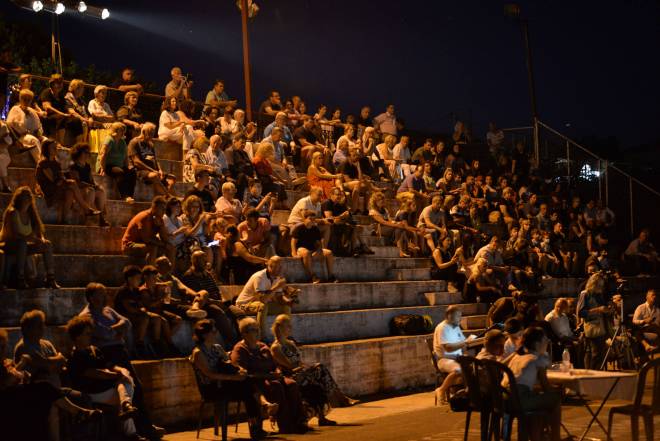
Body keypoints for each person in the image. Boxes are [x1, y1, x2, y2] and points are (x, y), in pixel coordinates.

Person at [78, 282, 166, 439]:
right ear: (91, 297)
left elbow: (127, 322)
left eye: (105, 293)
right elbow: (104, 334)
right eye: (101, 294)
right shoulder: (87, 316)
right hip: (107, 355)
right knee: (128, 387)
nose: (105, 296)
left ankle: (145, 426)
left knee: (136, 388)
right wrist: (117, 330)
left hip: (120, 351)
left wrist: (114, 329)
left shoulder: (108, 310)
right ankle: (134, 431)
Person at [0, 329, 100, 441]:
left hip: (43, 388)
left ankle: (81, 418)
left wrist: (23, 373)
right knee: (46, 390)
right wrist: (22, 365)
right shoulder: (22, 347)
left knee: (78, 396)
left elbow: (58, 362)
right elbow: (7, 382)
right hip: (9, 400)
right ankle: (80, 412)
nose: (3, 350)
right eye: (0, 347)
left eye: (3, 346)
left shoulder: (45, 344)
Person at [65, 315, 144, 440]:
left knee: (126, 383)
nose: (90, 336)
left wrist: (122, 371)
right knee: (125, 386)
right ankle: (127, 414)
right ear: (77, 336)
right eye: (87, 334)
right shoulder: (74, 356)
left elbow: (109, 365)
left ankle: (126, 409)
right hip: (91, 392)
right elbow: (95, 373)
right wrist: (117, 376)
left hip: (106, 389)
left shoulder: (94, 350)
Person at [270, 315, 357, 426]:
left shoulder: (290, 343)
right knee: (320, 368)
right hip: (291, 376)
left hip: (302, 373)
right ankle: (340, 398)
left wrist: (306, 367)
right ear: (280, 327)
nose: (291, 328)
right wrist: (305, 368)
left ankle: (324, 415)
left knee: (319, 380)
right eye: (288, 326)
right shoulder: (276, 347)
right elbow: (290, 367)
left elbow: (299, 362)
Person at [189, 319, 266, 439]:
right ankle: (256, 425)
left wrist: (240, 370)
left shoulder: (217, 348)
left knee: (248, 386)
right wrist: (233, 377)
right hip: (211, 388)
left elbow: (230, 363)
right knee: (248, 388)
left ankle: (256, 426)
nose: (216, 334)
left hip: (225, 383)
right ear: (204, 334)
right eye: (213, 332)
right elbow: (210, 375)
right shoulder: (198, 353)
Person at [231, 317, 309, 434]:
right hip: (256, 382)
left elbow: (274, 364)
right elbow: (243, 373)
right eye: (254, 330)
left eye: (258, 329)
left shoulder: (263, 346)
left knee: (291, 384)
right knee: (276, 386)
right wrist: (267, 376)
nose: (258, 332)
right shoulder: (240, 349)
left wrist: (277, 371)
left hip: (271, 377)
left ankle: (299, 422)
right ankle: (285, 425)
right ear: (244, 333)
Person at [502, 327, 561, 441]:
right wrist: (555, 391)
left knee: (538, 402)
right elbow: (545, 386)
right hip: (520, 400)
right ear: (537, 343)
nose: (547, 343)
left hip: (505, 399)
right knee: (555, 399)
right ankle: (555, 437)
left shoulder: (516, 357)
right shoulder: (537, 359)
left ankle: (537, 435)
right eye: (545, 341)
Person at [0, 186, 59, 289]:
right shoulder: (13, 212)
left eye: (29, 196)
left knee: (47, 244)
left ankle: (50, 278)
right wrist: (31, 239)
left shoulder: (31, 214)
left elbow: (38, 231)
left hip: (24, 245)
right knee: (22, 243)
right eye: (25, 196)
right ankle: (20, 278)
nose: (27, 198)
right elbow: (14, 235)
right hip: (8, 244)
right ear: (19, 198)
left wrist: (42, 240)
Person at [180, 250, 241, 348]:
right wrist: (217, 302)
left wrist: (220, 301)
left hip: (217, 302)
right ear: (194, 261)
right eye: (202, 260)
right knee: (218, 311)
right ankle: (233, 343)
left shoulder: (207, 274)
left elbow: (216, 291)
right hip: (205, 305)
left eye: (205, 259)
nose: (205, 262)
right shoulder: (189, 276)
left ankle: (242, 340)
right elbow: (197, 297)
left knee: (238, 312)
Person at [235, 256, 300, 340]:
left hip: (261, 303)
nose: (281, 270)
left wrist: (289, 301)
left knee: (286, 308)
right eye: (278, 267)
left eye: (281, 267)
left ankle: (285, 336)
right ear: (270, 266)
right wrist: (276, 287)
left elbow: (279, 298)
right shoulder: (259, 277)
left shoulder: (277, 277)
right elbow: (263, 299)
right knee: (263, 306)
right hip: (245, 304)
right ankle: (262, 337)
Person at [37, 139, 101, 224]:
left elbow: (60, 177)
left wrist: (63, 180)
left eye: (56, 147)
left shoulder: (56, 162)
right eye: (53, 148)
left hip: (58, 187)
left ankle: (64, 220)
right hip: (49, 190)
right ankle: (86, 209)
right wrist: (64, 181)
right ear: (47, 150)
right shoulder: (43, 163)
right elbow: (53, 180)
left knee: (70, 192)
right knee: (73, 183)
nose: (56, 149)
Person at [13, 310, 66, 387]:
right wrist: (58, 358)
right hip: (41, 394)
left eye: (43, 324)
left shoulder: (47, 344)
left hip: (57, 389)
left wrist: (47, 361)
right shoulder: (23, 347)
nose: (43, 327)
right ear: (28, 328)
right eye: (39, 325)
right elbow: (48, 367)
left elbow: (62, 363)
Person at [139, 265, 183, 357]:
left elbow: (166, 296)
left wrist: (174, 300)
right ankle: (169, 345)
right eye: (153, 277)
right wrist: (162, 299)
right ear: (146, 277)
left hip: (160, 311)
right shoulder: (143, 290)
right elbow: (150, 306)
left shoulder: (156, 286)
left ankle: (165, 340)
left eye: (156, 277)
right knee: (165, 322)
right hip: (151, 312)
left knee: (178, 319)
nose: (155, 280)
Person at [433, 305, 469, 404]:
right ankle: (441, 390)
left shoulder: (456, 327)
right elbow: (448, 348)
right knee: (458, 370)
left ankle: (463, 394)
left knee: (474, 367)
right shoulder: (442, 328)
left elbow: (463, 343)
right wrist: (465, 343)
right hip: (444, 359)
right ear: (449, 316)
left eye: (460, 316)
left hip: (457, 358)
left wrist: (465, 352)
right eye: (458, 316)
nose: (460, 319)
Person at [121, 196, 173, 264]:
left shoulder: (159, 218)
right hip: (129, 245)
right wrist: (164, 244)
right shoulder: (145, 217)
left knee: (171, 248)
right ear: (154, 208)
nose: (164, 212)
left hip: (144, 244)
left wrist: (160, 226)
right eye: (162, 209)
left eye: (164, 209)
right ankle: (150, 271)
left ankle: (167, 272)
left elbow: (165, 240)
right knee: (153, 248)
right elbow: (147, 239)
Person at [291, 210, 338, 284]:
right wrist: (293, 253)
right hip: (301, 249)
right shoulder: (299, 228)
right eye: (310, 219)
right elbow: (293, 242)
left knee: (329, 253)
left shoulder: (315, 229)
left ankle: (331, 276)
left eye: (313, 219)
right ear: (305, 219)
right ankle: (312, 276)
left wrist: (318, 251)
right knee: (306, 253)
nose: (312, 221)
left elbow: (319, 244)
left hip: (312, 250)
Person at [128, 122, 174, 197]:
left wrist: (160, 170)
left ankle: (163, 196)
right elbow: (136, 162)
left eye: (153, 133)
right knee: (154, 176)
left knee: (172, 178)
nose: (152, 136)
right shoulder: (134, 142)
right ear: (143, 132)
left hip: (153, 170)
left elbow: (155, 159)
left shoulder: (150, 144)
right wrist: (152, 170)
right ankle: (168, 195)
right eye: (150, 133)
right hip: (140, 171)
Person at [69, 142, 109, 226]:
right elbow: (76, 181)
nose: (88, 154)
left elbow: (91, 180)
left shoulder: (87, 166)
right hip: (79, 189)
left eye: (88, 152)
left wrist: (96, 186)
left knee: (101, 191)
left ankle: (101, 217)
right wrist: (90, 186)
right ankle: (85, 217)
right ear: (79, 153)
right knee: (91, 191)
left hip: (88, 187)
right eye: (85, 152)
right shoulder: (73, 166)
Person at [576, 272, 611, 369]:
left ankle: (594, 374)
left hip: (602, 326)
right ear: (593, 283)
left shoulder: (599, 294)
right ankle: (593, 374)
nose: (601, 286)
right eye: (599, 284)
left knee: (599, 353)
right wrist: (598, 309)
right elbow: (581, 312)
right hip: (592, 327)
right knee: (595, 354)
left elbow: (603, 308)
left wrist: (609, 308)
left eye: (602, 284)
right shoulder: (585, 294)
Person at [97, 122, 137, 202]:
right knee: (119, 172)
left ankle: (130, 195)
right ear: (115, 131)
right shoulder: (109, 140)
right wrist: (102, 168)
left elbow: (125, 157)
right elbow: (103, 155)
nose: (123, 132)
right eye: (121, 130)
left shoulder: (122, 142)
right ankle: (124, 196)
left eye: (124, 130)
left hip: (118, 166)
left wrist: (127, 168)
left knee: (132, 172)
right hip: (107, 165)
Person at [6, 88, 44, 163]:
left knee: (46, 141)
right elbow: (9, 124)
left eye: (29, 99)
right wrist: (23, 132)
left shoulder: (32, 111)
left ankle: (52, 164)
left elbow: (39, 125)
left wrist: (39, 133)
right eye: (24, 99)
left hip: (34, 135)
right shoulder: (15, 109)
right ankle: (41, 163)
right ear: (20, 99)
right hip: (20, 137)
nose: (27, 101)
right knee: (33, 140)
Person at [40, 74, 72, 141]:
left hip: (59, 117)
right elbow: (48, 107)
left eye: (61, 83)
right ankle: (57, 143)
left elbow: (66, 108)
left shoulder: (61, 96)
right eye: (58, 83)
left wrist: (71, 114)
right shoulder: (47, 92)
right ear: (52, 84)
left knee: (76, 121)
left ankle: (62, 143)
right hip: (47, 116)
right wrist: (62, 114)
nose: (60, 85)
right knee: (60, 118)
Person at [63, 79, 92, 144]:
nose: (83, 90)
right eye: (81, 88)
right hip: (71, 120)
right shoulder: (68, 98)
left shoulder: (80, 100)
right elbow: (71, 112)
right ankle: (81, 145)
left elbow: (87, 112)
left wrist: (90, 119)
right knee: (80, 122)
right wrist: (83, 119)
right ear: (75, 89)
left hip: (82, 121)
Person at [632, 289, 660, 353]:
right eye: (652, 295)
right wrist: (644, 321)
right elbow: (634, 321)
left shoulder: (657, 309)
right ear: (647, 297)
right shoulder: (640, 307)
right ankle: (647, 346)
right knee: (636, 331)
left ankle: (656, 347)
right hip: (643, 328)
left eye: (655, 295)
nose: (654, 296)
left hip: (653, 327)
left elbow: (658, 323)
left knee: (655, 326)